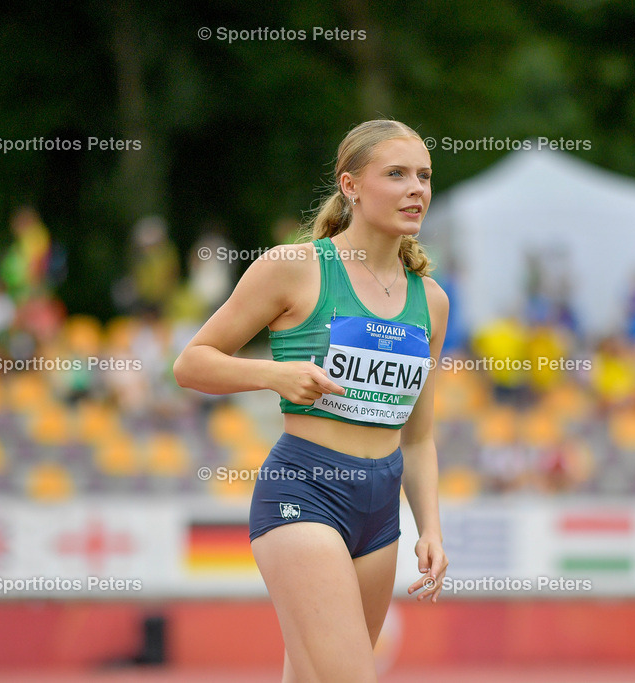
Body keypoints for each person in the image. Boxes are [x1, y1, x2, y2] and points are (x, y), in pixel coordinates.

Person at [173, 119, 449, 682]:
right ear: (350, 185)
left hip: (379, 509)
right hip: (306, 492)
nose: (415, 188)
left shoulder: (433, 301)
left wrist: (432, 529)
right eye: (395, 174)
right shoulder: (294, 268)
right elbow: (190, 362)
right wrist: (275, 377)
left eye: (423, 175)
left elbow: (418, 436)